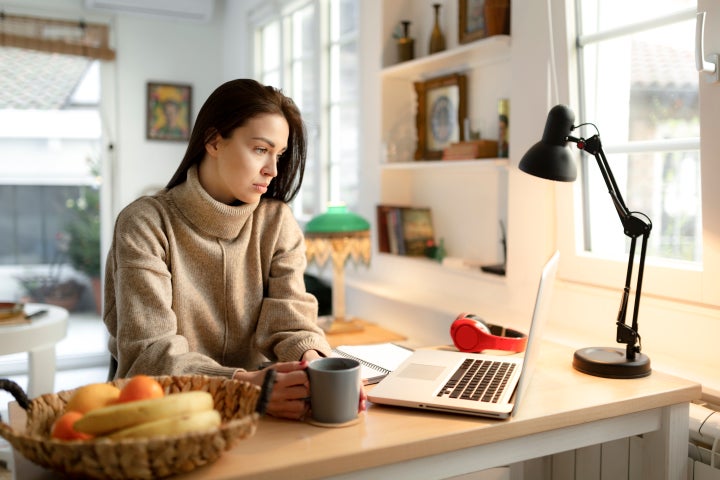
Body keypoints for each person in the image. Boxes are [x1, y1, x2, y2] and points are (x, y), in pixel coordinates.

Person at [104, 78, 365, 420]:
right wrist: (244, 384)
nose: (272, 170)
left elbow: (291, 322)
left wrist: (316, 362)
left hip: (259, 410)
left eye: (279, 154)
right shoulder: (144, 223)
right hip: (165, 414)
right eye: (260, 149)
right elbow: (149, 356)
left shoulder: (277, 221)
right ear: (214, 141)